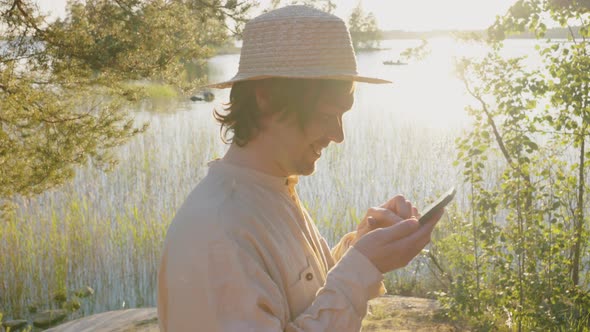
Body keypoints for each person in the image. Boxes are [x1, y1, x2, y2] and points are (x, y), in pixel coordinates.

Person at [157, 5, 443, 332]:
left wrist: (360, 248)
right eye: (326, 115)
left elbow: (303, 298)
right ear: (266, 97)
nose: (338, 135)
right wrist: (362, 267)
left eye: (343, 115)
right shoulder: (217, 234)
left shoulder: (272, 190)